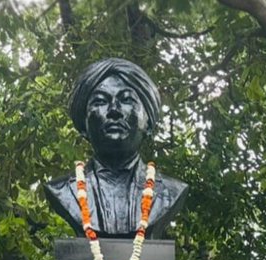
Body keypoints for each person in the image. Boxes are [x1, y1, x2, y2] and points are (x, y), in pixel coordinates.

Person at [45, 58, 188, 238]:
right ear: (83, 127)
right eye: (100, 101)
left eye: (127, 100)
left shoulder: (169, 191)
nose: (114, 110)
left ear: (149, 124)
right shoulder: (63, 190)